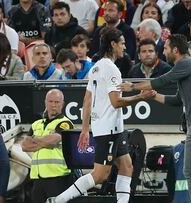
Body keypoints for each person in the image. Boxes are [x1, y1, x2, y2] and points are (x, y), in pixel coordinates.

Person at [47, 27, 156, 203]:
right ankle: (58, 200)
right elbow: (116, 102)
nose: (124, 47)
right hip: (109, 130)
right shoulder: (112, 70)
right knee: (100, 175)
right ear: (113, 44)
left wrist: (84, 129)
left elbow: (87, 100)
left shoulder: (96, 67)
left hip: (110, 128)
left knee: (127, 166)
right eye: (121, 43)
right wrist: (140, 96)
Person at [118, 34, 191, 203]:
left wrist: (133, 87)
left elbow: (162, 80)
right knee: (190, 170)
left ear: (175, 50)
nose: (163, 52)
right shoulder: (185, 68)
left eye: (165, 48)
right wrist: (154, 96)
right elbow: (177, 100)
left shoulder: (186, 63)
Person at [21, 89, 74, 203]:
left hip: (58, 178)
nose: (53, 105)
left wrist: (35, 139)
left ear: (62, 104)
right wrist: (45, 141)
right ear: (45, 102)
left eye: (57, 102)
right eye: (50, 101)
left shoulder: (65, 123)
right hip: (38, 178)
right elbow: (24, 146)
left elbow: (52, 141)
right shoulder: (36, 124)